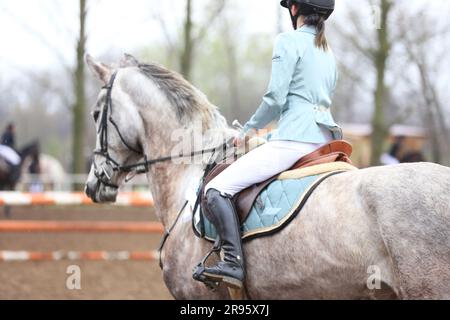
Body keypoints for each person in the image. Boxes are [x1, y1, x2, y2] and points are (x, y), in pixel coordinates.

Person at [194, 0, 341, 290]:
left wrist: (247, 131)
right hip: (325, 141)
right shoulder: (328, 52)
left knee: (215, 189)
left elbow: (275, 98)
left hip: (295, 141)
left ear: (295, 9)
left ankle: (232, 263)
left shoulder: (288, 41)